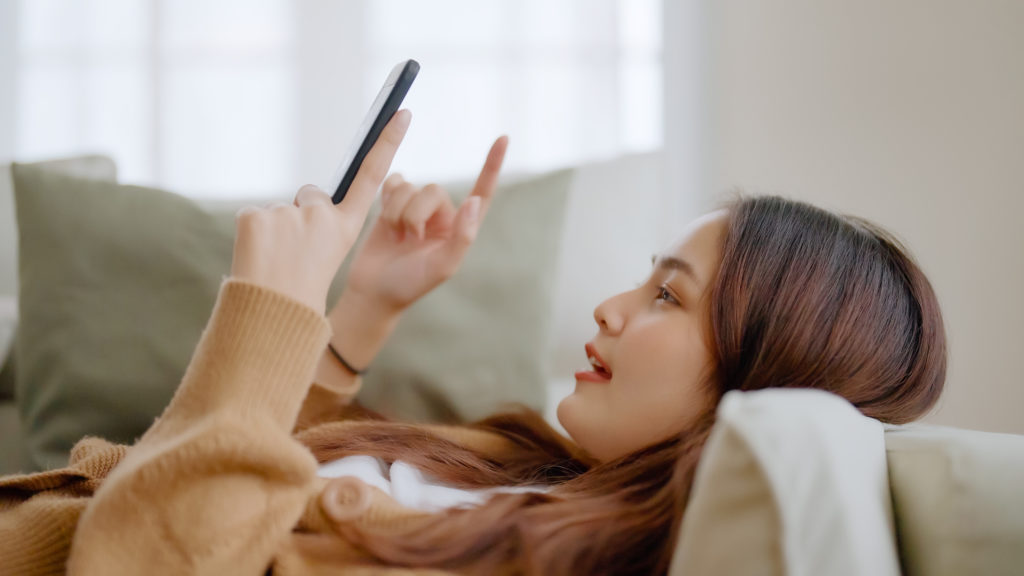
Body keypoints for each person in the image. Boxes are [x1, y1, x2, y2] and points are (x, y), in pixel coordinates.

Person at [0, 109, 946, 576]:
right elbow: (252, 472)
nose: (611, 308)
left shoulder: (547, 560)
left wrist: (268, 310)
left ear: (758, 372)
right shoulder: (534, 469)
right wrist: (362, 309)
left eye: (668, 295)